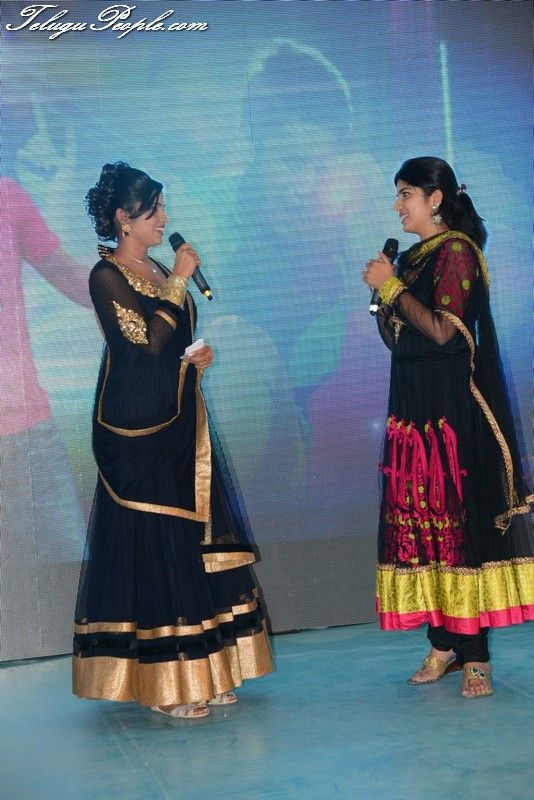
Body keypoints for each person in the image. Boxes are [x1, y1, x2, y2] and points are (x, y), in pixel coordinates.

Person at [73, 162, 273, 718]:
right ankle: (167, 681)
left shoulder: (159, 267)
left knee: (189, 536)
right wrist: (180, 280)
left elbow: (173, 343)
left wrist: (196, 359)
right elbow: (143, 346)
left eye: (162, 208)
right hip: (138, 428)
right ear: (124, 217)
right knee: (155, 539)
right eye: (154, 210)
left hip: (179, 417)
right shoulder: (106, 275)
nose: (164, 218)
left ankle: (206, 667)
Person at [362, 157, 533, 699]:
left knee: (458, 525)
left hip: (451, 415)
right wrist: (386, 300)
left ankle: (475, 654)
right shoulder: (412, 258)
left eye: (406, 194)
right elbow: (401, 339)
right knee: (421, 525)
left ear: (435, 199)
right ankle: (442, 643)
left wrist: (392, 289)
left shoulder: (457, 251)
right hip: (412, 410)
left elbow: (442, 331)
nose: (398, 206)